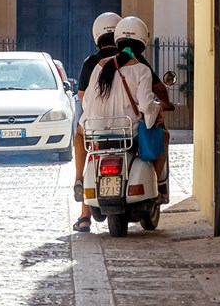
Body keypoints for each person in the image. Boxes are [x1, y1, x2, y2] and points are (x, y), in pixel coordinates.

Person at [81, 16, 169, 211]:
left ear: (118, 40)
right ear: (143, 42)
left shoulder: (100, 66)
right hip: (128, 133)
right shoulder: (141, 69)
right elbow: (146, 106)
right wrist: (158, 109)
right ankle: (155, 184)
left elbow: (86, 102)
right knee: (164, 135)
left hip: (96, 133)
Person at [72, 12, 120, 232]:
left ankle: (83, 212)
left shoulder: (91, 62)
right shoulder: (132, 58)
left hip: (96, 125)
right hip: (126, 125)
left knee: (82, 137)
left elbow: (82, 97)